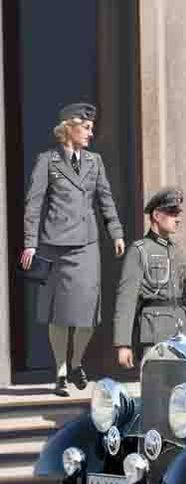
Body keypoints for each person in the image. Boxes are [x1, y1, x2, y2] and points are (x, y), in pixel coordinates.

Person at [19, 102, 125, 396]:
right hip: (55, 245)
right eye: (86, 128)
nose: (91, 133)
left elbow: (105, 200)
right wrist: (30, 243)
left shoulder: (95, 162)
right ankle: (62, 371)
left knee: (87, 312)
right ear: (69, 128)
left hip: (87, 245)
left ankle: (77, 361)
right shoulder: (47, 161)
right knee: (59, 313)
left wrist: (116, 232)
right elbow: (34, 204)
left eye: (92, 128)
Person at [112, 187, 186, 369]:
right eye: (172, 213)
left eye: (178, 214)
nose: (177, 219)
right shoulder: (140, 250)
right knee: (157, 383)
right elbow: (127, 299)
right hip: (155, 335)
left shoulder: (177, 251)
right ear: (157, 216)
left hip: (182, 335)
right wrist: (123, 344)